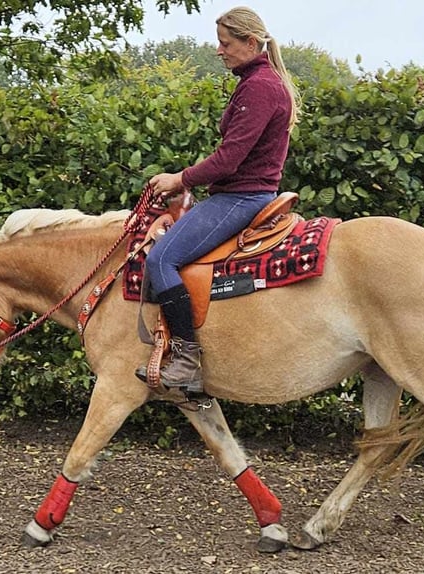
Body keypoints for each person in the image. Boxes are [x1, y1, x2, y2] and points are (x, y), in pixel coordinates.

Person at [135, 6, 301, 393]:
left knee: (162, 258)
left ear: (249, 42)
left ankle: (187, 361)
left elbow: (230, 158)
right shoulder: (260, 82)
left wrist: (180, 178)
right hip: (246, 192)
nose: (219, 51)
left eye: (225, 43)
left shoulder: (259, 87)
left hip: (242, 198)